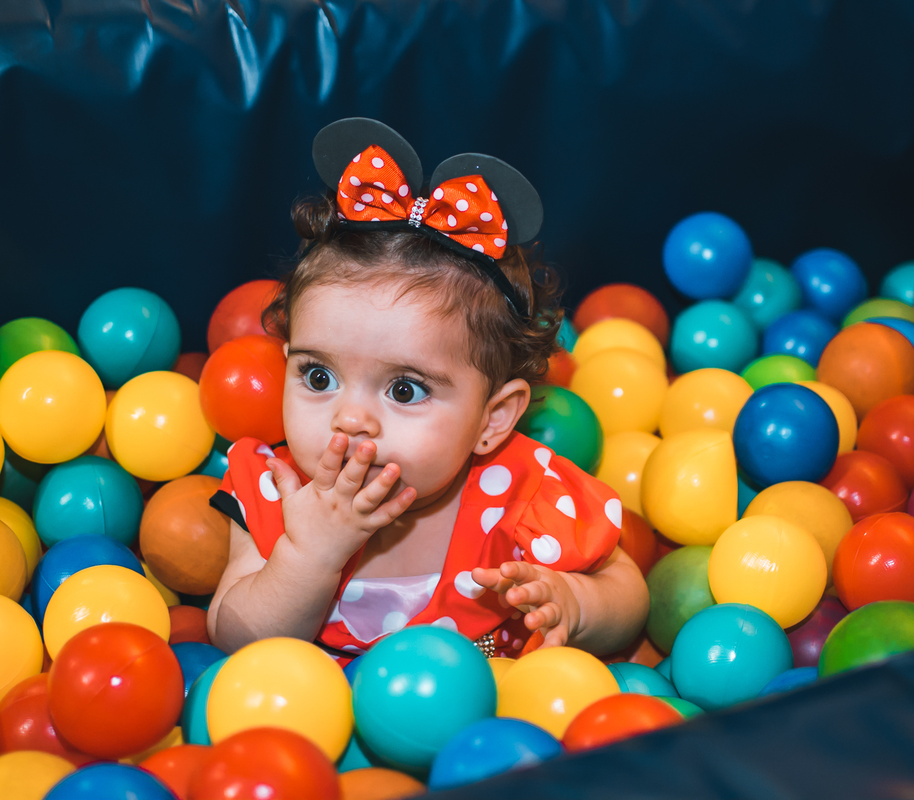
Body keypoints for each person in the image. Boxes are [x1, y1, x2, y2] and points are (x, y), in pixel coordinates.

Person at [208, 118, 648, 661]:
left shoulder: (522, 495)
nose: (350, 419)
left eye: (405, 390)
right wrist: (309, 556)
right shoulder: (276, 491)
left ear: (492, 419)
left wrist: (577, 604)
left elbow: (629, 595)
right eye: (318, 377)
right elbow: (232, 639)